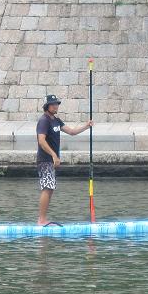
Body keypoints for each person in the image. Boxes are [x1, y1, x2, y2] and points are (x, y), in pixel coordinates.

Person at [36, 94, 92, 225]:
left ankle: (43, 219)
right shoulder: (44, 120)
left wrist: (86, 126)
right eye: (54, 104)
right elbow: (41, 140)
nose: (56, 106)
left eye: (57, 104)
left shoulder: (56, 120)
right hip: (45, 159)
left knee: (50, 188)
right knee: (47, 187)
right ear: (47, 106)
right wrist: (54, 155)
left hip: (51, 161)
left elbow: (72, 132)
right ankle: (41, 220)